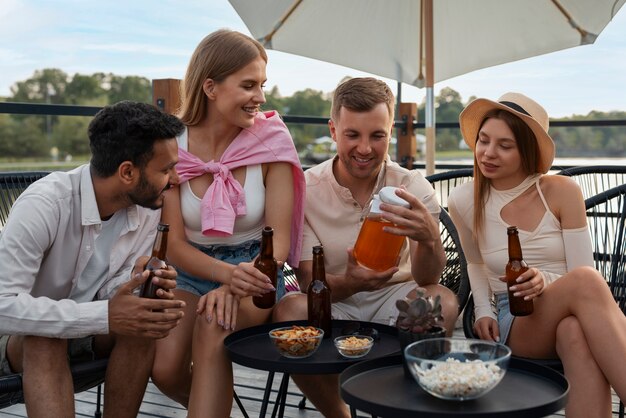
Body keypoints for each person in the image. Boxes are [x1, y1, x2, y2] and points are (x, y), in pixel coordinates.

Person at [272, 77, 459, 418]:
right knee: (289, 310)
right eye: (352, 135)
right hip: (333, 303)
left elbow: (428, 277)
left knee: (441, 302)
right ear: (333, 130)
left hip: (396, 300)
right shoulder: (307, 190)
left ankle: (403, 409)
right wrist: (356, 282)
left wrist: (429, 236)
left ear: (391, 131)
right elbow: (308, 282)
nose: (364, 149)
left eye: (377, 136)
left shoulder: (411, 185)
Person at [150, 29, 305, 417]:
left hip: (258, 269)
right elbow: (174, 244)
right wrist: (222, 274)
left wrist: (237, 280)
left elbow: (280, 242)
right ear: (211, 87)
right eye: (249, 85)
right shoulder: (173, 145)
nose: (261, 97)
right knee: (165, 369)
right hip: (190, 269)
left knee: (212, 322)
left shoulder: (271, 143)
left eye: (263, 85)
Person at [0, 101, 187, 418]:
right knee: (47, 338)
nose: (175, 178)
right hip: (16, 339)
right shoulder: (45, 204)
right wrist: (107, 315)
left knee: (142, 321)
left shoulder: (145, 209)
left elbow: (113, 294)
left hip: (84, 333)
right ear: (127, 172)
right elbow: (3, 306)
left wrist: (136, 285)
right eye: (165, 169)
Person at [448, 92, 626, 417]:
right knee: (586, 282)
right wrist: (484, 312)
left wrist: (545, 281)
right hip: (516, 318)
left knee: (574, 333)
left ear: (527, 151)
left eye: (505, 145)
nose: (488, 153)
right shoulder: (463, 200)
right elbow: (474, 262)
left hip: (574, 308)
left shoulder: (560, 192)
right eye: (483, 140)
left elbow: (581, 271)